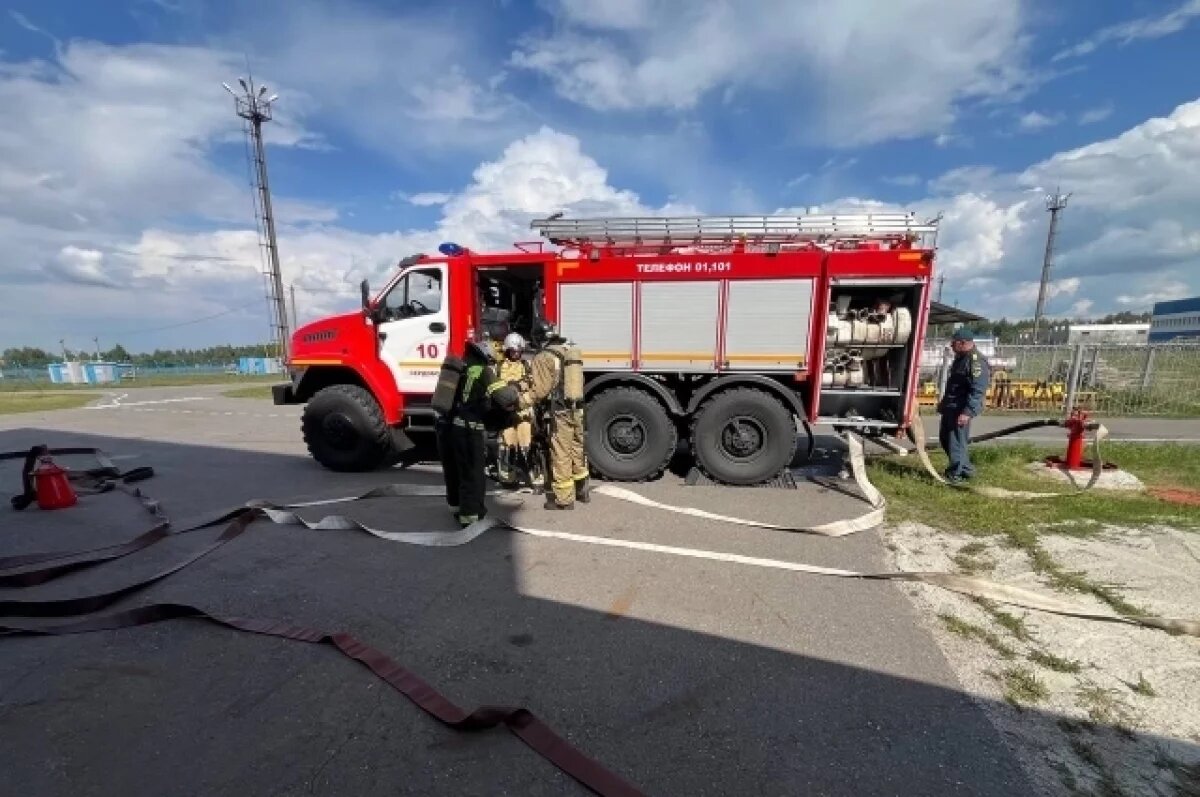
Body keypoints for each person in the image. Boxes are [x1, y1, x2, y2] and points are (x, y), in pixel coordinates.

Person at [436, 340, 515, 527]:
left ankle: (455, 507)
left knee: (456, 471)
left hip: (451, 428)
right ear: (486, 356)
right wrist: (515, 390)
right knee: (473, 475)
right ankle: (471, 517)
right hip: (470, 431)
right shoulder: (483, 371)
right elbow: (504, 397)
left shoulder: (462, 368)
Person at [518, 320, 589, 510]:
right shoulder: (568, 351)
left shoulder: (543, 357)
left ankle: (564, 500)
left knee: (561, 452)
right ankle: (582, 490)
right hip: (578, 408)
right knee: (577, 448)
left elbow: (540, 390)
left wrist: (520, 401)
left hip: (561, 410)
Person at [937, 328, 990, 483]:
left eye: (954, 343)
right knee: (945, 439)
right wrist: (944, 403)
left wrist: (967, 412)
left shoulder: (976, 361)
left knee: (956, 442)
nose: (951, 346)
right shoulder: (961, 358)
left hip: (960, 408)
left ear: (963, 343)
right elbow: (954, 385)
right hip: (951, 406)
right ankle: (966, 470)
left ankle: (955, 475)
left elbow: (978, 389)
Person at [496, 332, 534, 486]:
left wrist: (519, 385)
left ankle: (531, 475)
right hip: (505, 411)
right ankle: (508, 478)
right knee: (507, 443)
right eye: (513, 351)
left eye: (518, 351)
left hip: (523, 411)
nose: (516, 354)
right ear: (507, 350)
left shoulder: (526, 365)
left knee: (526, 443)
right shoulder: (499, 367)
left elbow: (532, 382)